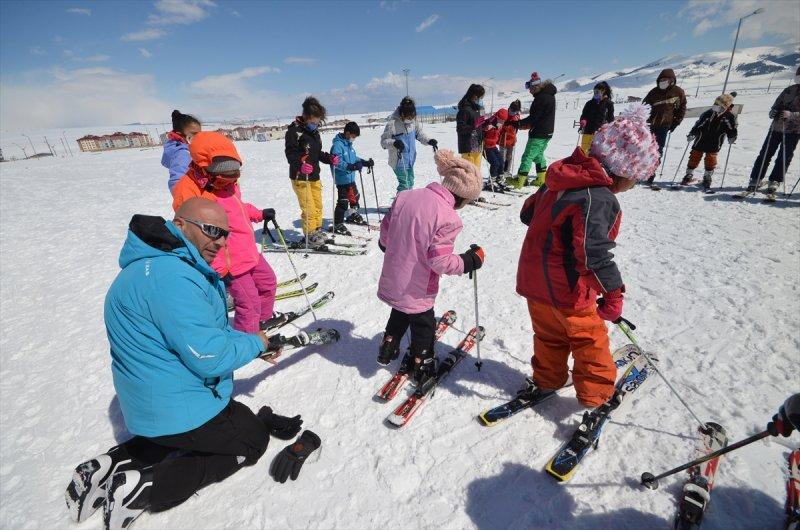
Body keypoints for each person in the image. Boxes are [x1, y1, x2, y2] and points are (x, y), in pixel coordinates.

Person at [64, 198, 304, 530]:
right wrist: (257, 343)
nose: (220, 241)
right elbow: (210, 357)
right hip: (179, 409)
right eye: (211, 230)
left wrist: (248, 345)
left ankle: (109, 464)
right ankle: (145, 488)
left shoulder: (148, 266)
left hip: (149, 407)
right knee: (251, 438)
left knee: (215, 425)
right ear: (179, 225)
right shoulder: (174, 278)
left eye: (225, 233)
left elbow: (200, 333)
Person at [515, 104, 660, 408]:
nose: (633, 185)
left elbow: (528, 213)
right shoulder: (598, 197)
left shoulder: (560, 178)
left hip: (533, 281)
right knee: (589, 341)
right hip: (568, 290)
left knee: (549, 336)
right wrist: (613, 293)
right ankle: (595, 396)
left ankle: (549, 378)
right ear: (623, 170)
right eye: (636, 178)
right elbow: (592, 253)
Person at [376, 149, 484, 387]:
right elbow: (440, 261)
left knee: (401, 308)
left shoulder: (406, 196)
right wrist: (468, 261)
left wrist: (388, 245)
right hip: (419, 284)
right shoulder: (448, 218)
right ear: (462, 196)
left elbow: (386, 232)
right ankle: (422, 363)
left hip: (394, 274)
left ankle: (388, 344)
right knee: (423, 323)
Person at [172, 131, 282, 333]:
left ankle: (263, 320)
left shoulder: (228, 183)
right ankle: (248, 339)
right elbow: (197, 238)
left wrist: (258, 213)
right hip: (230, 263)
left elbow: (238, 207)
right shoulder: (190, 192)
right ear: (206, 169)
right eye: (223, 179)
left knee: (268, 283)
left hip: (249, 252)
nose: (229, 183)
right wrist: (220, 268)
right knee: (249, 303)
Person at [285, 96, 340, 248]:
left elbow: (316, 153)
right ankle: (309, 235)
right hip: (300, 176)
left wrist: (329, 158)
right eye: (313, 122)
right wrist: (300, 164)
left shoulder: (315, 133)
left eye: (317, 123)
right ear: (305, 117)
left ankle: (316, 230)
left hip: (314, 175)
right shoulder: (294, 131)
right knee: (308, 207)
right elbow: (290, 153)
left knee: (317, 205)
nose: (315, 125)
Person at [746, 67, 800, 194]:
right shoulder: (789, 89)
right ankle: (756, 178)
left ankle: (775, 180)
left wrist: (792, 115)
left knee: (784, 156)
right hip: (776, 127)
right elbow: (776, 105)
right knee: (765, 153)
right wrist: (773, 111)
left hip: (793, 130)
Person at [680, 93, 737, 190]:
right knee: (695, 155)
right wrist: (693, 133)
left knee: (711, 158)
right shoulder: (708, 113)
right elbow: (698, 125)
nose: (715, 106)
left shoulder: (729, 117)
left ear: (725, 106)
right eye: (715, 103)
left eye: (718, 105)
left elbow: (731, 129)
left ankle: (707, 176)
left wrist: (732, 136)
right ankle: (689, 174)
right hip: (701, 139)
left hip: (715, 141)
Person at [380, 96, 437, 193]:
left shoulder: (414, 121)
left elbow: (419, 134)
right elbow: (383, 142)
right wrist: (394, 142)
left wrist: (428, 141)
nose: (410, 119)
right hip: (398, 161)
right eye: (408, 117)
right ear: (402, 114)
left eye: (412, 116)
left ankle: (407, 200)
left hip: (410, 159)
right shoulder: (392, 124)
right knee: (405, 185)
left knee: (410, 182)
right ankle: (401, 201)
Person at [512, 72, 557, 188]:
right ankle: (541, 179)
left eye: (531, 89)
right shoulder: (549, 95)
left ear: (536, 87)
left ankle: (519, 180)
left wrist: (519, 123)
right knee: (538, 155)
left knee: (527, 156)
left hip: (539, 132)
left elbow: (534, 117)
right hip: (547, 131)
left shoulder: (541, 98)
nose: (530, 91)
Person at [642, 69, 687, 185]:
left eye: (665, 80)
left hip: (664, 125)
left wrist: (676, 121)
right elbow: (644, 106)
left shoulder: (678, 92)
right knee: (646, 148)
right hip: (650, 125)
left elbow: (682, 107)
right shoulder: (653, 92)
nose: (663, 82)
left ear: (671, 80)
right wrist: (642, 119)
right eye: (661, 80)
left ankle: (651, 171)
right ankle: (643, 169)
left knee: (658, 149)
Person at [330, 121, 375, 235]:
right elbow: (337, 162)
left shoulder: (349, 145)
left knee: (355, 198)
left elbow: (354, 158)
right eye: (353, 136)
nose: (353, 138)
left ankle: (351, 214)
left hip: (350, 179)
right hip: (342, 179)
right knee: (343, 202)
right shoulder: (337, 145)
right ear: (347, 133)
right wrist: (351, 167)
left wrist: (364, 162)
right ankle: (337, 223)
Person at [162, 110, 201, 193]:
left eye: (199, 134)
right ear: (180, 135)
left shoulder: (186, 149)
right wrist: (189, 199)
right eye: (194, 134)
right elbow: (177, 182)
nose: (198, 138)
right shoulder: (182, 153)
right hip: (194, 196)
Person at [579, 82, 614, 154]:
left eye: (597, 92)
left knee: (597, 154)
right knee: (584, 152)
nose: (595, 93)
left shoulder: (608, 104)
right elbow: (584, 115)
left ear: (603, 91)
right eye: (594, 92)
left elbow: (610, 119)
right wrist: (583, 120)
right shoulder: (589, 103)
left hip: (600, 134)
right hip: (588, 132)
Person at [456, 84, 486, 169]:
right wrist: (474, 126)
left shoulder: (478, 109)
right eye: (480, 97)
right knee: (469, 173)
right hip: (468, 147)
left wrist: (487, 124)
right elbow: (460, 128)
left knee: (477, 172)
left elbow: (480, 124)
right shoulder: (464, 109)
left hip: (478, 146)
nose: (481, 100)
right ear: (475, 96)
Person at [481, 108, 509, 189]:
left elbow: (500, 132)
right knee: (495, 163)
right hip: (486, 147)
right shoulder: (490, 121)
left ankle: (499, 179)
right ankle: (491, 181)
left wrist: (505, 129)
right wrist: (486, 128)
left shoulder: (500, 124)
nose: (502, 122)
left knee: (501, 161)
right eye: (501, 120)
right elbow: (481, 127)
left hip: (493, 146)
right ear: (497, 116)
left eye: (503, 121)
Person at [499, 100, 522, 176]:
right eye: (512, 110)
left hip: (511, 139)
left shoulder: (517, 116)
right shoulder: (505, 114)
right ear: (510, 108)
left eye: (515, 111)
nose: (513, 112)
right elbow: (499, 126)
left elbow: (518, 126)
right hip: (503, 139)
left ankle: (507, 171)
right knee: (502, 157)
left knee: (509, 157)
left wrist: (517, 126)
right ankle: (500, 172)